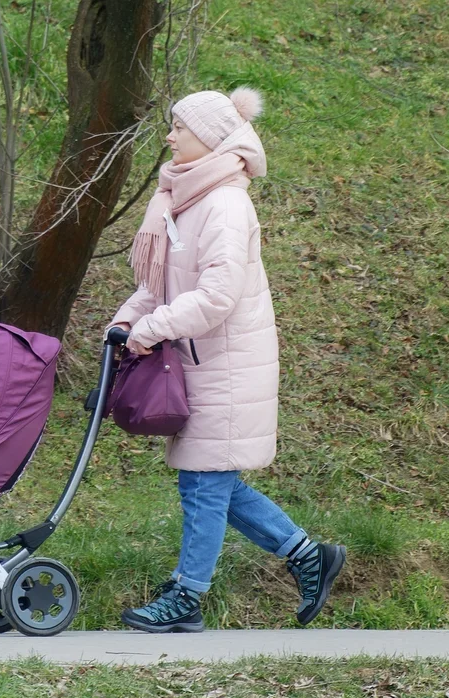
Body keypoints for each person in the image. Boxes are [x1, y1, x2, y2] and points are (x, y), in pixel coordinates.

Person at [108, 87, 346, 633]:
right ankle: (309, 556)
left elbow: (216, 297)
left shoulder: (224, 205)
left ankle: (187, 597)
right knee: (213, 484)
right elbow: (160, 283)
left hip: (229, 365)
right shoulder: (184, 200)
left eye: (179, 128)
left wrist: (150, 330)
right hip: (199, 362)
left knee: (204, 485)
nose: (169, 137)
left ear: (210, 138)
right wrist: (125, 321)